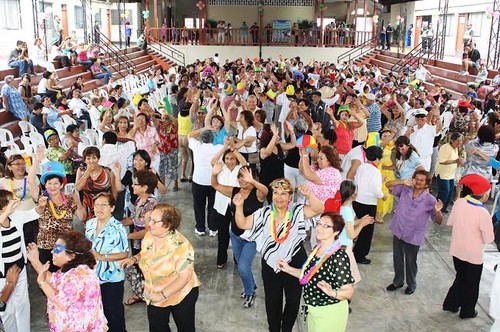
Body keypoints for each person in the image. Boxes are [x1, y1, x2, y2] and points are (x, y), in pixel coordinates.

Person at [233, 179, 324, 332]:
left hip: (295, 261)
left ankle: (287, 329)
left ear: (290, 196)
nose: (279, 197)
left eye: (284, 193)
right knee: (272, 302)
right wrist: (239, 207)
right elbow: (242, 224)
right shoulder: (265, 213)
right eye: (276, 193)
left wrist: (309, 194)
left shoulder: (297, 211)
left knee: (293, 301)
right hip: (271, 264)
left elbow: (318, 209)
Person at [121, 203, 201, 332]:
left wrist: (161, 295)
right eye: (150, 219)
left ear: (167, 225)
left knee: (185, 327)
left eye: (154, 221)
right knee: (157, 327)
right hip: (154, 291)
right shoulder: (151, 235)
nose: (149, 224)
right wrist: (134, 258)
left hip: (181, 293)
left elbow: (184, 277)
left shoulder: (181, 246)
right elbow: (146, 252)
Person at [278, 212, 355, 332]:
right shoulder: (318, 249)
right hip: (313, 310)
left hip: (329, 312)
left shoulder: (338, 257)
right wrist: (287, 268)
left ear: (336, 231)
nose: (319, 228)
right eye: (319, 224)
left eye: (326, 226)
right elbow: (308, 275)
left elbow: (348, 292)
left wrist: (332, 293)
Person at [27, 231, 108, 331]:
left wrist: (42, 282)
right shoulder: (76, 269)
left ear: (72, 255)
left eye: (57, 249)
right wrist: (35, 261)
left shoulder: (77, 276)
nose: (52, 252)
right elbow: (53, 279)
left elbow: (59, 302)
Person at [212, 164, 267, 306]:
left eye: (245, 177)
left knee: (243, 267)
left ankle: (249, 293)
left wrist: (253, 181)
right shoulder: (234, 191)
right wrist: (214, 174)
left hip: (252, 239)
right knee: (242, 267)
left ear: (254, 177)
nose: (242, 180)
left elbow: (266, 191)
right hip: (235, 235)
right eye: (240, 177)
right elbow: (215, 185)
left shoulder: (258, 193)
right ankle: (251, 286)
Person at [443, 174, 494, 319]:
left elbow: (450, 222)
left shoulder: (459, 202)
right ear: (483, 195)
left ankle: (451, 304)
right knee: (472, 284)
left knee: (461, 277)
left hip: (457, 250)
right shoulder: (483, 212)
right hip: (473, 255)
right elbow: (489, 239)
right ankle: (467, 311)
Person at [385, 170, 443, 295]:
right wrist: (403, 181)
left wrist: (437, 211)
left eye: (422, 180)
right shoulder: (405, 189)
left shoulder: (430, 200)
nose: (418, 182)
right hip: (399, 230)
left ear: (427, 184)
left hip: (413, 235)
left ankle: (411, 284)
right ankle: (398, 281)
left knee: (411, 261)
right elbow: (388, 185)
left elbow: (438, 221)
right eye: (416, 179)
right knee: (397, 258)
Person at [31, 147, 85, 271]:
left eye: (56, 183)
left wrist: (79, 202)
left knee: (66, 282)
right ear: (45, 184)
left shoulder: (69, 200)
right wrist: (36, 161)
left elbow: (82, 217)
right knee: (48, 281)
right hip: (46, 248)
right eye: (49, 183)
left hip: (66, 248)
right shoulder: (42, 199)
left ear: (61, 185)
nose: (52, 186)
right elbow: (31, 182)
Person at [0, 190, 46, 332]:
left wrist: (41, 206)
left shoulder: (16, 217)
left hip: (19, 268)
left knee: (22, 305)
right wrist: (7, 212)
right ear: (3, 206)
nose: (14, 202)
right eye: (10, 200)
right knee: (6, 310)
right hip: (3, 274)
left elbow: (34, 213)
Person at [85, 192, 129, 332]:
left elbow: (124, 253)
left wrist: (101, 256)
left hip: (112, 278)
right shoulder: (90, 223)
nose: (99, 208)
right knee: (97, 313)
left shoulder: (117, 227)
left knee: (114, 314)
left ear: (112, 208)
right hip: (92, 276)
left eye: (104, 204)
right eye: (97, 205)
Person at [121, 169, 159, 306]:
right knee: (138, 268)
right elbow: (133, 219)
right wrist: (117, 223)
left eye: (135, 184)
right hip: (137, 242)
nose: (132, 186)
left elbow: (150, 231)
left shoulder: (151, 204)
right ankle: (141, 293)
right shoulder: (139, 199)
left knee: (147, 268)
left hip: (146, 242)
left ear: (144, 187)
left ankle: (148, 295)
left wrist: (127, 235)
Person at [352, 146, 385, 264]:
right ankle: (360, 255)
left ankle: (356, 251)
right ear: (376, 158)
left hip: (357, 201)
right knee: (367, 231)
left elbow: (357, 181)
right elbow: (375, 189)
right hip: (368, 203)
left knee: (361, 226)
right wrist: (383, 196)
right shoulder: (375, 171)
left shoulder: (362, 166)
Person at [338, 180, 374, 285]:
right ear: (353, 195)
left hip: (340, 245)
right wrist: (362, 224)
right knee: (347, 278)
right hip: (344, 248)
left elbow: (348, 223)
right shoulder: (347, 210)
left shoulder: (343, 207)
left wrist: (361, 220)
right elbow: (351, 235)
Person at [75, 146, 121, 223]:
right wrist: (87, 172)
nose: (91, 161)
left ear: (98, 159)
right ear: (85, 160)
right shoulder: (81, 170)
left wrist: (111, 204)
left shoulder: (108, 171)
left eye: (94, 158)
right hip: (88, 206)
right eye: (88, 158)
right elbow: (78, 188)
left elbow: (114, 190)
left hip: (104, 205)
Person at [189, 129, 221, 236]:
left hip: (198, 181)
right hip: (213, 182)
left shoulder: (197, 146)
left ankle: (200, 228)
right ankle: (213, 228)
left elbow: (190, 135)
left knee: (199, 205)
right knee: (213, 205)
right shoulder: (219, 148)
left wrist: (204, 128)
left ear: (202, 139)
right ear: (213, 139)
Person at [435, 133, 463, 213]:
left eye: (460, 141)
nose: (459, 143)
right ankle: (438, 208)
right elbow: (442, 161)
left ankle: (443, 208)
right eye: (457, 141)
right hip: (443, 173)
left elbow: (455, 159)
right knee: (444, 191)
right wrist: (454, 161)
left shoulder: (456, 148)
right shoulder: (445, 147)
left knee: (450, 191)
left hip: (450, 174)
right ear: (452, 140)